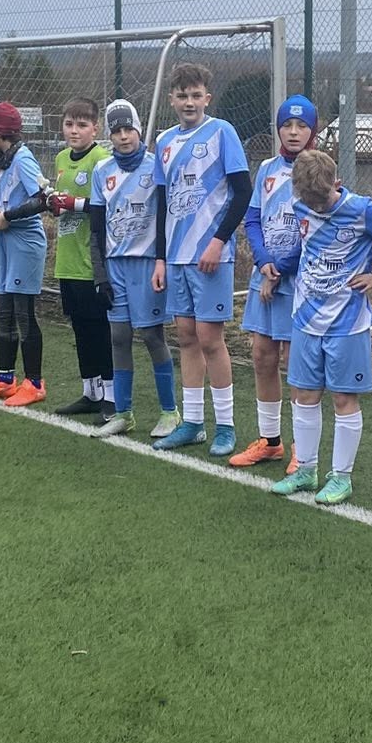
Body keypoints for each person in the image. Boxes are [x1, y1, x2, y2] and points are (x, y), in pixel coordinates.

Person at [270, 149, 372, 506]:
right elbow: (304, 249)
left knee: (343, 398)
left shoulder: (362, 210)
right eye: (309, 201)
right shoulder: (300, 206)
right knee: (305, 395)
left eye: (322, 199)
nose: (316, 207)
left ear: (337, 184)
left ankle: (341, 477)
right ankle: (305, 470)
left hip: (347, 322)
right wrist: (276, 268)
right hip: (305, 317)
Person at [149, 62, 253, 457]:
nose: (189, 102)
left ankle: (225, 426)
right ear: (172, 100)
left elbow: (242, 193)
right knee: (187, 337)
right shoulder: (164, 141)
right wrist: (161, 259)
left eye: (196, 95)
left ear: (207, 98)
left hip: (211, 257)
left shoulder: (222, 132)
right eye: (182, 96)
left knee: (211, 338)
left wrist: (217, 242)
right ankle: (192, 423)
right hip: (176, 259)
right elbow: (162, 204)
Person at [232, 94, 319, 469]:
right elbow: (253, 219)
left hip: (298, 283)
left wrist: (281, 267)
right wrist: (263, 260)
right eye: (287, 125)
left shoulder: (319, 170)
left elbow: (318, 230)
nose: (294, 132)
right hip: (264, 276)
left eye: (301, 126)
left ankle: (303, 448)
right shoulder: (267, 168)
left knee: (294, 362)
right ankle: (270, 440)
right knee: (262, 356)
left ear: (312, 130)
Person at [88, 100, 180, 439]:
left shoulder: (156, 166)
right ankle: (123, 413)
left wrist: (162, 260)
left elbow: (166, 218)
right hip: (116, 266)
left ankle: (170, 412)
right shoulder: (102, 171)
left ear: (139, 131)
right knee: (119, 336)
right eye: (117, 131)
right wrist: (100, 275)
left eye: (129, 129)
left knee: (153, 336)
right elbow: (96, 229)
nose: (124, 136)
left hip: (147, 264)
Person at [0, 101, 51, 406]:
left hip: (25, 241)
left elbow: (42, 199)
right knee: (4, 311)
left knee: (23, 313)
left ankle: (35, 382)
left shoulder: (24, 159)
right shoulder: (2, 158)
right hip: (5, 240)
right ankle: (5, 378)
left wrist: (8, 216)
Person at [46, 98, 114, 418]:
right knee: (80, 328)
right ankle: (90, 391)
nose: (74, 131)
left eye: (82, 125)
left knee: (99, 328)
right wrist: (54, 204)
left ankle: (111, 395)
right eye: (69, 124)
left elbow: (108, 206)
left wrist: (72, 203)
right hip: (68, 259)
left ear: (95, 129)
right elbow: (60, 203)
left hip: (92, 261)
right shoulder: (61, 158)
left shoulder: (102, 160)